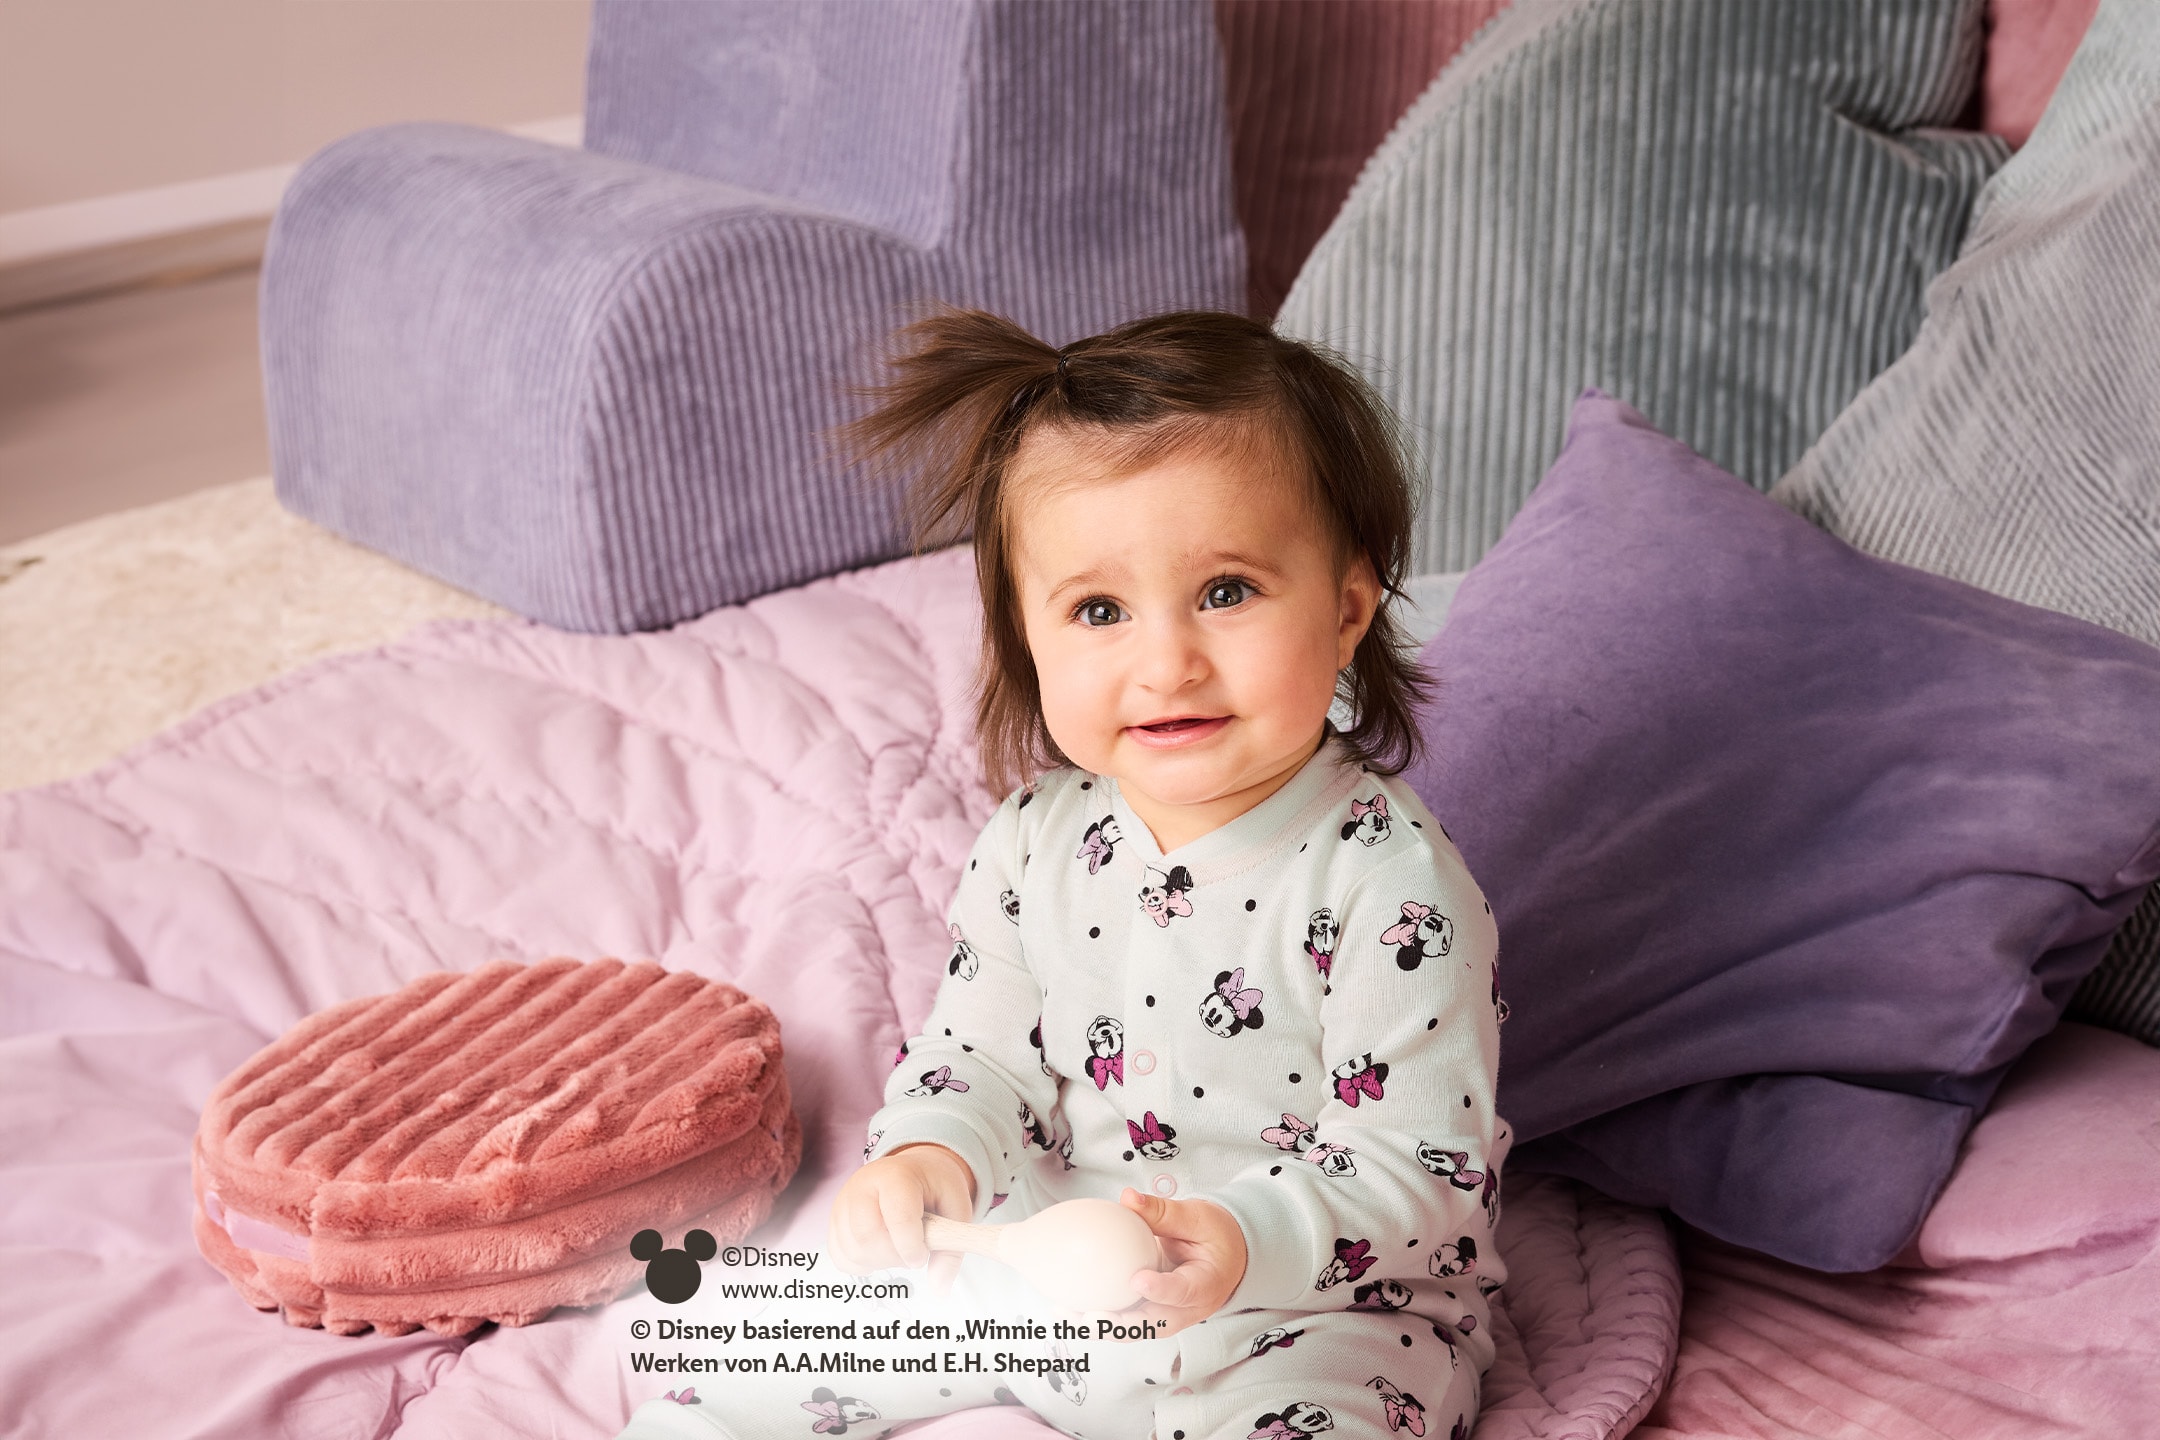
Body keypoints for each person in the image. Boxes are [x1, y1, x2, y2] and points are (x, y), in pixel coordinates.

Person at [615, 310, 1509, 1440]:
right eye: (1099, 610)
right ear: (1027, 643)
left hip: (1312, 1310)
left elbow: (1416, 1167)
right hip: (1048, 1272)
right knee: (775, 1347)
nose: (1166, 662)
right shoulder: (1036, 841)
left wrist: (1244, 1243)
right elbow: (980, 1054)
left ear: (1344, 611)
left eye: (1226, 591)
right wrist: (930, 1153)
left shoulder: (1391, 886)